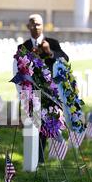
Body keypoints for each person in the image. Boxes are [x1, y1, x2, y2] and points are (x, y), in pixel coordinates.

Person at [17, 14, 69, 164]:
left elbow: (65, 58)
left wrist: (50, 52)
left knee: (45, 123)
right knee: (34, 123)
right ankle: (36, 158)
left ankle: (39, 157)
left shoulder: (52, 42)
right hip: (31, 91)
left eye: (38, 24)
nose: (35, 27)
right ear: (28, 27)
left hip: (49, 91)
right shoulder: (23, 46)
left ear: (43, 26)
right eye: (32, 24)